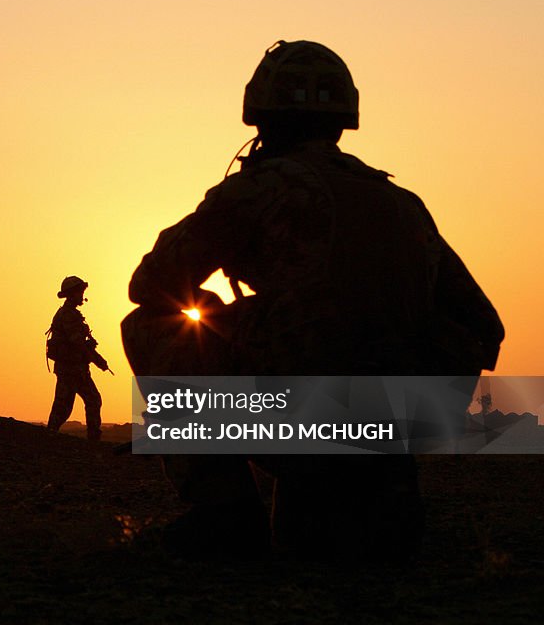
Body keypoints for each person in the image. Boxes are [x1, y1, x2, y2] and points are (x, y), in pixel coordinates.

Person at [123, 40, 504, 561]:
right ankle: (379, 479)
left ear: (260, 118)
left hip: (311, 418)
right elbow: (482, 324)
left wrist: (222, 318)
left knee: (151, 324)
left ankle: (223, 514)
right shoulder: (403, 202)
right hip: (404, 423)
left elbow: (152, 284)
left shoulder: (260, 187)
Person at [47, 276, 109, 441]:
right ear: (71, 294)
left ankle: (92, 438)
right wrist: (97, 360)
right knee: (65, 407)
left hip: (76, 368)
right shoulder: (68, 315)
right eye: (79, 292)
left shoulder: (72, 314)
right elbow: (78, 343)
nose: (81, 295)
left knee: (87, 401)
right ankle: (50, 437)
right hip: (70, 369)